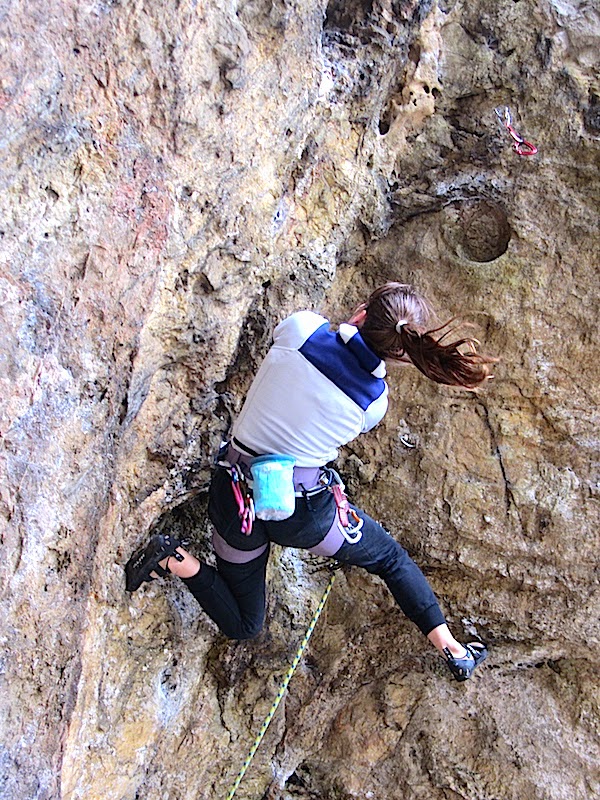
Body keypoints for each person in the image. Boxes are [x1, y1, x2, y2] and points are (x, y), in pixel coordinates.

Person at [126, 282, 497, 681]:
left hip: (237, 501)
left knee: (245, 619)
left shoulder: (302, 328)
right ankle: (453, 649)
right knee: (389, 560)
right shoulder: (374, 402)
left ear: (360, 312)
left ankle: (171, 556)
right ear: (402, 355)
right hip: (302, 515)